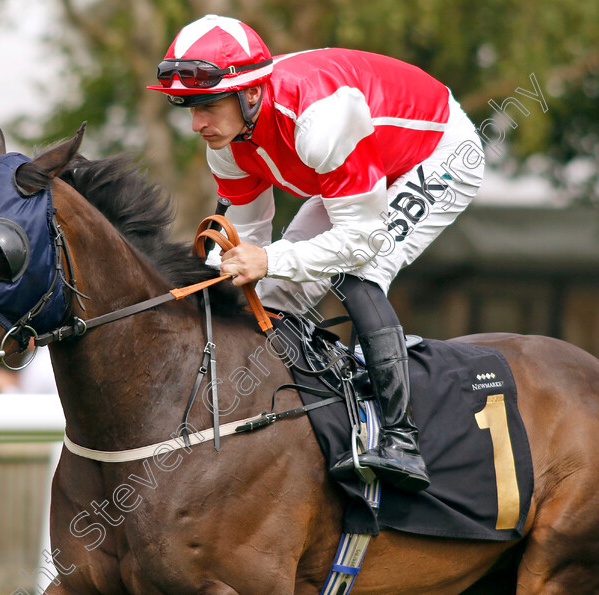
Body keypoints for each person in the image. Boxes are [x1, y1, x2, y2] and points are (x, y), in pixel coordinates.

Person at [148, 15, 485, 492]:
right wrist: (243, 272)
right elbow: (248, 240)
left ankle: (400, 440)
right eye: (187, 107)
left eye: (207, 104)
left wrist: (267, 260)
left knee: (358, 271)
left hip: (436, 153)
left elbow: (361, 239)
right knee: (271, 291)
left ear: (249, 93)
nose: (197, 123)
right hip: (366, 163)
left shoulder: (318, 121)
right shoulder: (225, 142)